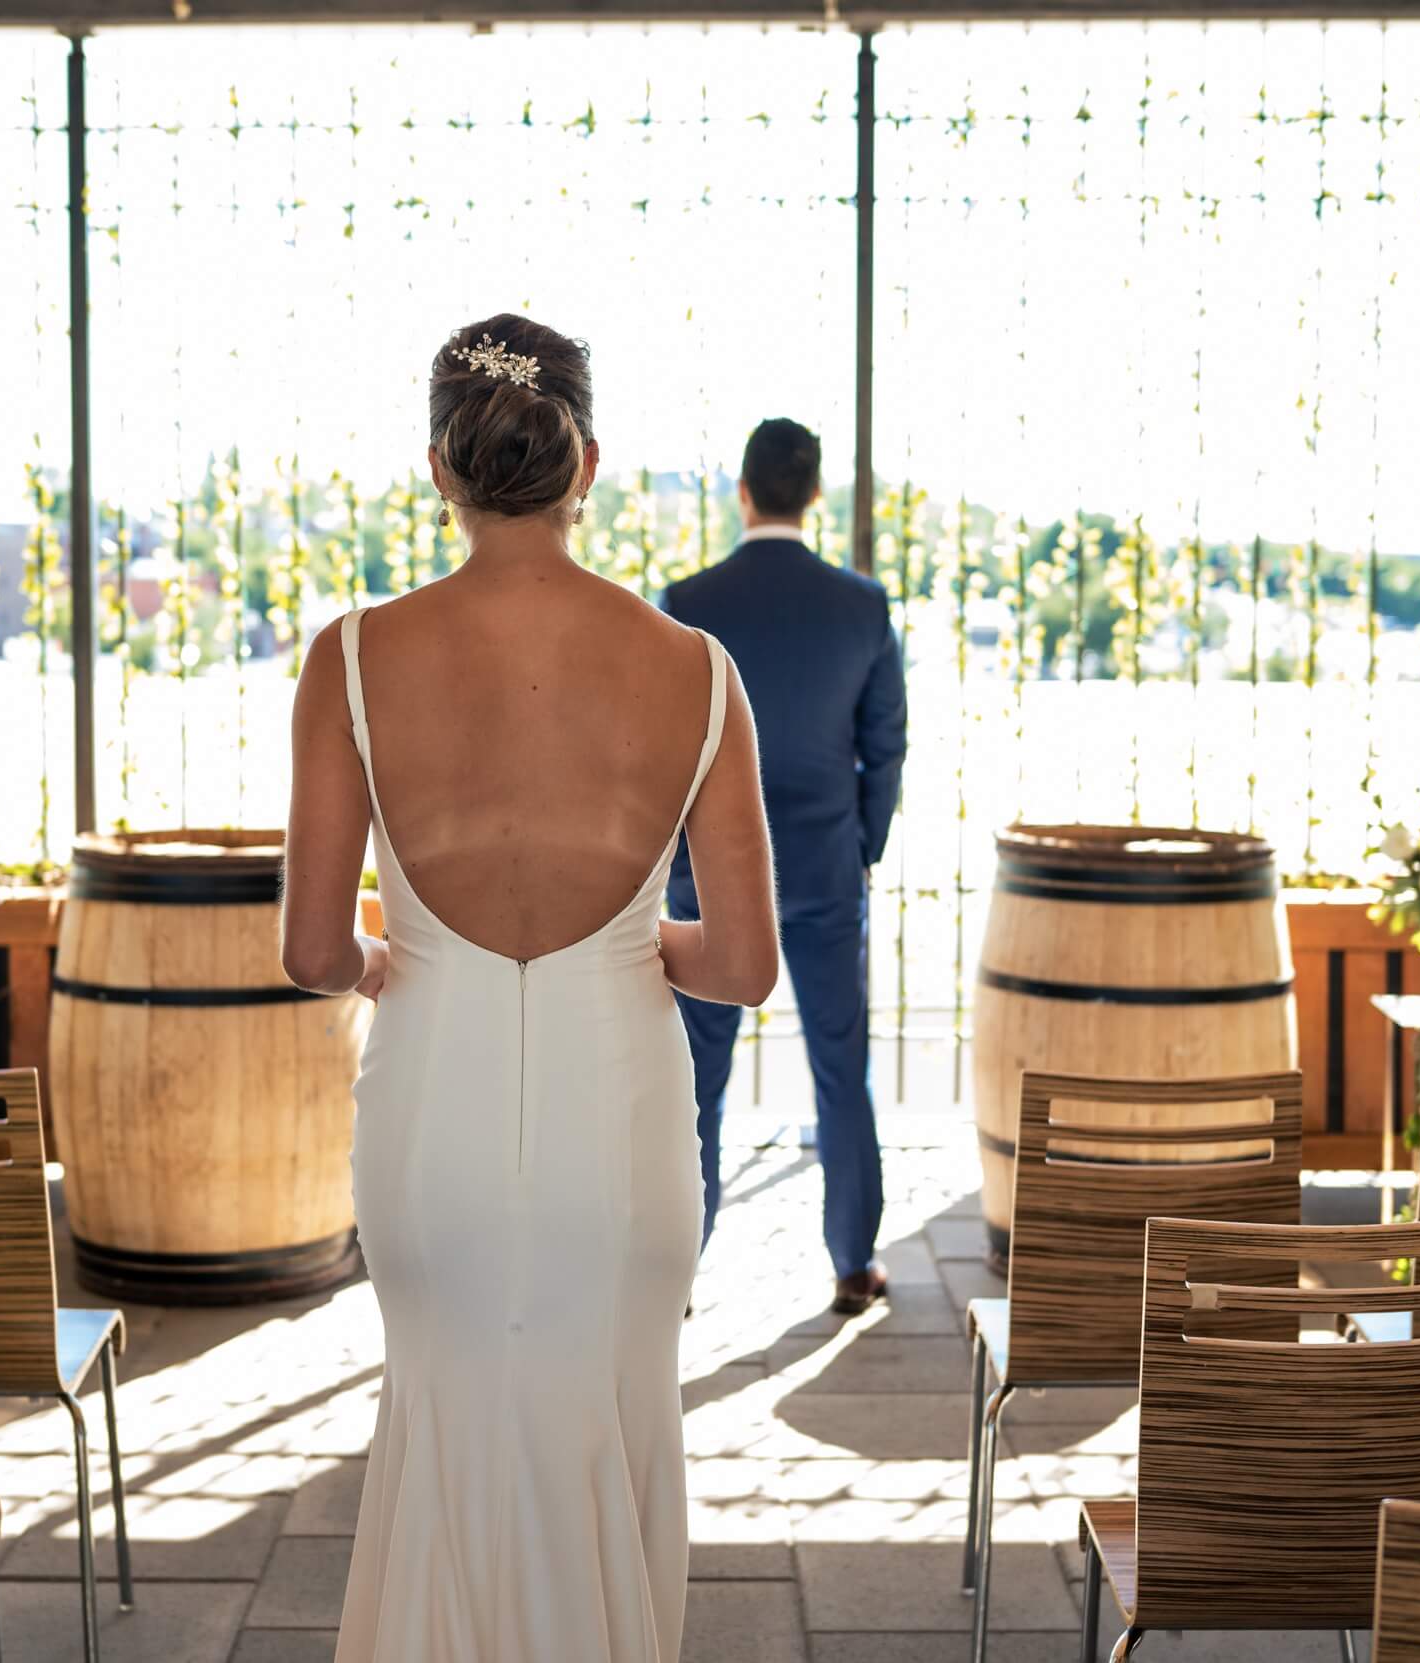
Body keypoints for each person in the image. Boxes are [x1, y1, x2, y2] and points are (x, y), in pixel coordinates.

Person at [280, 313, 780, 1663]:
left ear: (438, 468)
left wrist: (396, 962)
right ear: (589, 461)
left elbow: (314, 952)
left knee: (443, 1419)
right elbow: (740, 963)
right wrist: (632, 946)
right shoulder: (697, 671)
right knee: (610, 1429)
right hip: (616, 1122)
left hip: (429, 1114)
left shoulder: (352, 657)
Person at [661, 417, 907, 1316]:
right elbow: (886, 748)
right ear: (813, 495)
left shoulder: (688, 601)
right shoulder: (863, 606)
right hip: (825, 874)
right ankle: (852, 1259)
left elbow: (659, 749)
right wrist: (862, 848)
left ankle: (678, 1267)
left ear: (744, 492)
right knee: (842, 1066)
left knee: (694, 1078)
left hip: (706, 879)